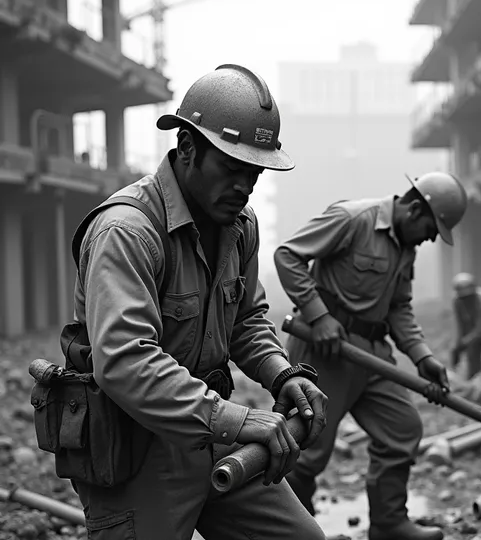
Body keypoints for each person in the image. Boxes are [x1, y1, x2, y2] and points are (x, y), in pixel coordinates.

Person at [70, 65, 328, 539]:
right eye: (232, 168)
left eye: (254, 172)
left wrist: (282, 373)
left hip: (214, 435)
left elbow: (246, 319)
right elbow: (125, 362)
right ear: (186, 148)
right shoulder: (127, 232)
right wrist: (237, 420)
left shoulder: (238, 226)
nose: (245, 186)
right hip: (136, 451)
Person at [274, 172, 468, 540]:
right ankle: (293, 530)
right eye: (432, 228)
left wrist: (422, 356)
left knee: (403, 428)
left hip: (373, 355)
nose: (430, 239)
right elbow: (288, 255)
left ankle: (388, 523)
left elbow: (399, 308)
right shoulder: (353, 219)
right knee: (306, 448)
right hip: (326, 350)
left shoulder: (405, 247)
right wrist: (318, 315)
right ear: (414, 209)